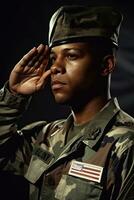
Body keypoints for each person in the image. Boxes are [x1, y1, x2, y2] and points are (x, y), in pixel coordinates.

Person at [0, 5, 134, 200]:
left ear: (106, 65)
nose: (55, 68)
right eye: (53, 58)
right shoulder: (47, 136)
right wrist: (13, 96)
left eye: (71, 56)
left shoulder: (127, 145)